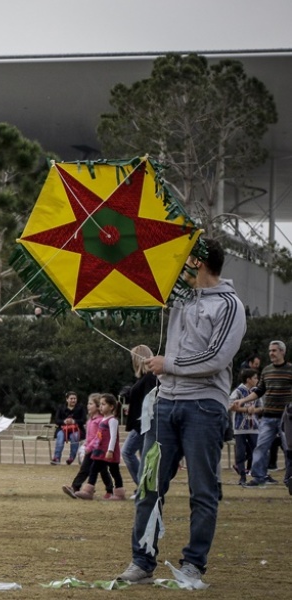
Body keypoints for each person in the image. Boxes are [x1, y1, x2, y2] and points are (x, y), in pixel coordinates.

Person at [116, 240, 246, 586]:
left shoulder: (231, 305)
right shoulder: (181, 298)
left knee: (203, 490)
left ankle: (193, 564)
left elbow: (216, 358)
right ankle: (142, 561)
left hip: (204, 407)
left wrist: (167, 364)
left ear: (199, 263)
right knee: (148, 485)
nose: (180, 266)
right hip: (166, 405)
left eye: (186, 259)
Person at [240, 340, 291, 488]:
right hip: (268, 417)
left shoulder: (290, 370)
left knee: (289, 450)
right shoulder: (267, 370)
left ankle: (289, 478)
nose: (271, 353)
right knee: (260, 447)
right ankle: (258, 477)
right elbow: (259, 391)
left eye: (274, 350)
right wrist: (243, 400)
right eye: (270, 351)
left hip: (286, 418)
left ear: (282, 352)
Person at [61, 393, 113, 499]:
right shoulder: (90, 421)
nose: (88, 406)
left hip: (99, 450)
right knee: (85, 469)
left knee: (103, 471)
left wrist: (89, 447)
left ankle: (109, 490)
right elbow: (90, 436)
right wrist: (85, 444)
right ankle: (75, 487)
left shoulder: (100, 421)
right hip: (91, 449)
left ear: (98, 406)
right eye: (88, 404)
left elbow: (99, 437)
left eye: (90, 404)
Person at [74, 394, 125, 500]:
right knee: (93, 469)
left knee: (114, 471)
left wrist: (110, 450)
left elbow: (113, 437)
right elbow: (98, 437)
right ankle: (88, 491)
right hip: (100, 452)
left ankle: (119, 493)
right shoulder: (102, 420)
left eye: (103, 404)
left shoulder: (112, 420)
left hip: (109, 452)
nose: (101, 407)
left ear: (111, 407)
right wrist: (91, 448)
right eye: (100, 404)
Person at [122, 346, 157, 494]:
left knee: (128, 452)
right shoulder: (145, 378)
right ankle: (145, 487)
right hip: (141, 422)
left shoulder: (149, 377)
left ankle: (143, 486)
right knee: (143, 457)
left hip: (144, 423)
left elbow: (149, 399)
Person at [229, 369, 261, 486]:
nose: (257, 380)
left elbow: (261, 407)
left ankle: (256, 475)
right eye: (255, 378)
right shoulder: (238, 391)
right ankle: (242, 476)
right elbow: (231, 406)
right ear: (248, 380)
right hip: (240, 427)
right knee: (240, 453)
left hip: (254, 426)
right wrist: (246, 409)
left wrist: (255, 410)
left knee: (255, 451)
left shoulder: (256, 392)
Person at [51, 392, 86, 465]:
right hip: (62, 429)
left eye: (75, 398)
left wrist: (74, 421)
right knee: (60, 437)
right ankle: (56, 458)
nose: (73, 400)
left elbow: (83, 420)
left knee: (75, 436)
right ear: (67, 399)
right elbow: (57, 420)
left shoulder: (81, 407)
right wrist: (64, 421)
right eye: (71, 399)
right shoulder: (61, 407)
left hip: (76, 429)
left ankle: (71, 457)